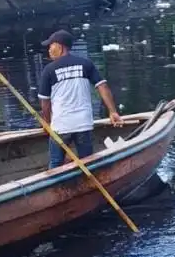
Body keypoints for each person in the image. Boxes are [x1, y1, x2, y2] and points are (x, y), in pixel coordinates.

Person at [37, 30, 123, 169]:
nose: (49, 50)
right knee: (87, 162)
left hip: (61, 126)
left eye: (51, 46)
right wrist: (113, 112)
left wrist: (47, 123)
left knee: (56, 164)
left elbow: (45, 102)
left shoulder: (49, 70)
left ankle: (58, 187)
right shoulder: (85, 64)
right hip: (83, 123)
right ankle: (88, 184)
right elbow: (102, 86)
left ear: (60, 46)